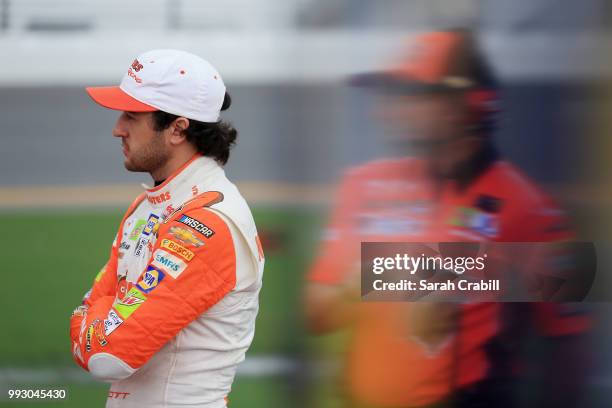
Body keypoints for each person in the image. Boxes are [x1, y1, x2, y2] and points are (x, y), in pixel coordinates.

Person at [304, 30, 591, 407]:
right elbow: (316, 317)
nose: (387, 110)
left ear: (462, 104)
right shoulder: (362, 186)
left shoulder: (531, 209)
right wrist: (357, 284)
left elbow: (569, 342)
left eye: (411, 96)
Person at [69, 49, 265, 408]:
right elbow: (100, 322)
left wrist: (93, 317)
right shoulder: (147, 207)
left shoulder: (207, 221)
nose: (117, 129)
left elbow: (107, 354)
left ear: (177, 129)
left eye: (132, 116)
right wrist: (104, 317)